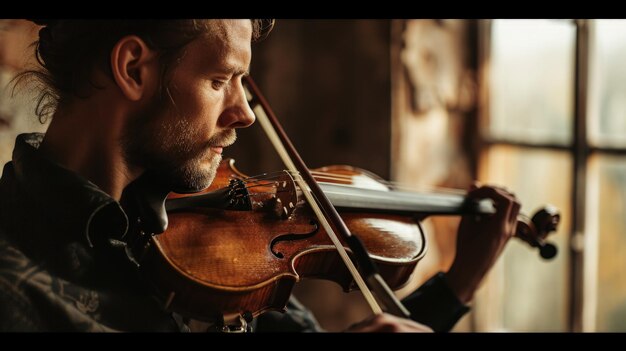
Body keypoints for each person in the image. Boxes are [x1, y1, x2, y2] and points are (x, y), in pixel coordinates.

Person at [0, 19, 520, 332]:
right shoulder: (17, 289)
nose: (245, 112)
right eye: (220, 79)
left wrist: (458, 283)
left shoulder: (209, 243)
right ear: (134, 68)